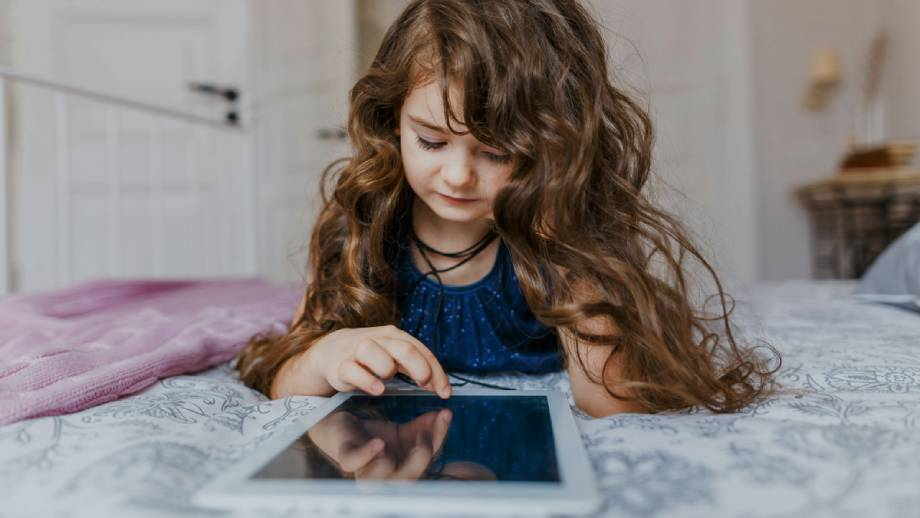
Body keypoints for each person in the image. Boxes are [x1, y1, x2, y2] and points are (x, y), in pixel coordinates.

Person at [236, 0, 781, 418]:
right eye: (430, 141)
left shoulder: (568, 234)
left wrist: (560, 241)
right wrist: (326, 356)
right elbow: (284, 375)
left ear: (556, 147)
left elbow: (613, 404)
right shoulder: (363, 220)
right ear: (391, 119)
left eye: (497, 152)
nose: (457, 176)